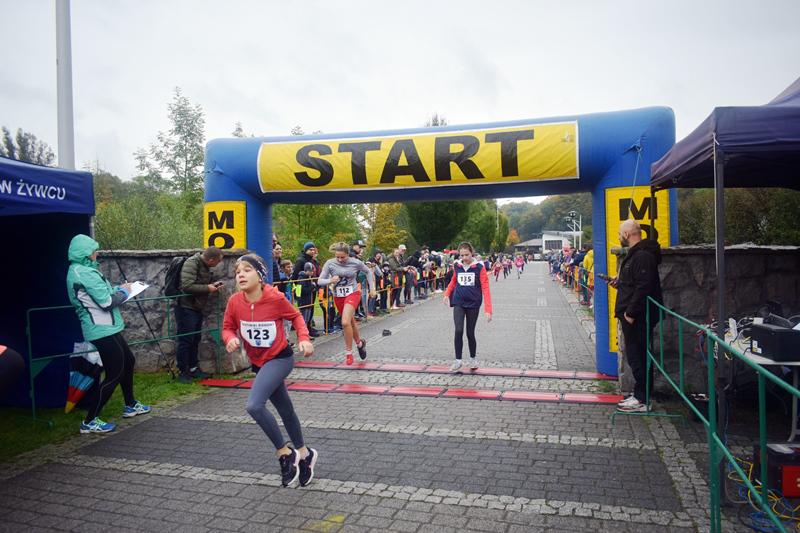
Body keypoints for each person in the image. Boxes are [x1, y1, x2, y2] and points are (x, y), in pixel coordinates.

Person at [222, 254, 318, 487]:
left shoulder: (275, 298)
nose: (241, 275)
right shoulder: (235, 302)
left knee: (254, 406)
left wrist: (304, 338)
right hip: (259, 363)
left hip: (280, 359)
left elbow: (296, 316)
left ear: (260, 275)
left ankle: (285, 453)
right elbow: (227, 327)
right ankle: (305, 454)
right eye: (238, 272)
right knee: (285, 409)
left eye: (247, 270)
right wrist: (230, 338)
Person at [66, 234, 150, 433]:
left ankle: (130, 404)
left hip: (108, 327)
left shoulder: (85, 270)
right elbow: (107, 302)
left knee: (128, 361)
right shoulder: (83, 273)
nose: (97, 253)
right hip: (100, 329)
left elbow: (104, 292)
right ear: (86, 253)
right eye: (94, 251)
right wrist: (126, 292)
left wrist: (120, 288)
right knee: (115, 373)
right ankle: (89, 421)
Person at [609, 220, 663, 413]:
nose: (618, 236)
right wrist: (619, 282)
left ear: (626, 234)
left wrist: (630, 313)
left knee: (638, 357)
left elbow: (643, 286)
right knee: (635, 356)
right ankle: (640, 395)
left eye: (619, 233)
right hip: (632, 315)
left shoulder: (642, 256)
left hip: (638, 317)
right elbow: (635, 282)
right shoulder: (637, 255)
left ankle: (643, 399)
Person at [317, 243, 376, 365]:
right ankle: (360, 344)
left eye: (342, 257)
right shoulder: (329, 263)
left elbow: (368, 272)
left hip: (353, 293)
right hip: (338, 296)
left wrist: (372, 289)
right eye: (337, 257)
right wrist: (330, 280)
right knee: (350, 322)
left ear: (348, 254)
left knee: (344, 322)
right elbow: (319, 281)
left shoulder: (355, 262)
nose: (340, 259)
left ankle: (349, 353)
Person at [443, 242, 492, 373]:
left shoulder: (479, 268)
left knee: (470, 332)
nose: (464, 258)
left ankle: (472, 358)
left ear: (472, 253)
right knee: (458, 330)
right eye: (462, 255)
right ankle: (458, 361)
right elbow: (453, 281)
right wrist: (447, 294)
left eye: (467, 255)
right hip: (458, 301)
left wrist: (488, 310)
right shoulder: (457, 266)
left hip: (473, 303)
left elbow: (485, 288)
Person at [176, 247, 224, 383]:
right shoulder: (192, 263)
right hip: (186, 308)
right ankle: (183, 371)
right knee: (186, 340)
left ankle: (193, 369)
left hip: (196, 307)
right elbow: (186, 286)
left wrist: (212, 285)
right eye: (218, 261)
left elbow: (198, 283)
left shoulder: (203, 265)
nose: (218, 264)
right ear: (211, 260)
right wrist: (208, 288)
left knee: (195, 339)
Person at [292, 242, 321, 336]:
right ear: (305, 250)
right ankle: (303, 330)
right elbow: (295, 276)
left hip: (312, 287)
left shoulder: (312, 260)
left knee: (311, 308)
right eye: (310, 250)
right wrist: (299, 290)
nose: (312, 251)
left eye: (313, 250)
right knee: (304, 310)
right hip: (303, 288)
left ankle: (309, 327)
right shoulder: (300, 260)